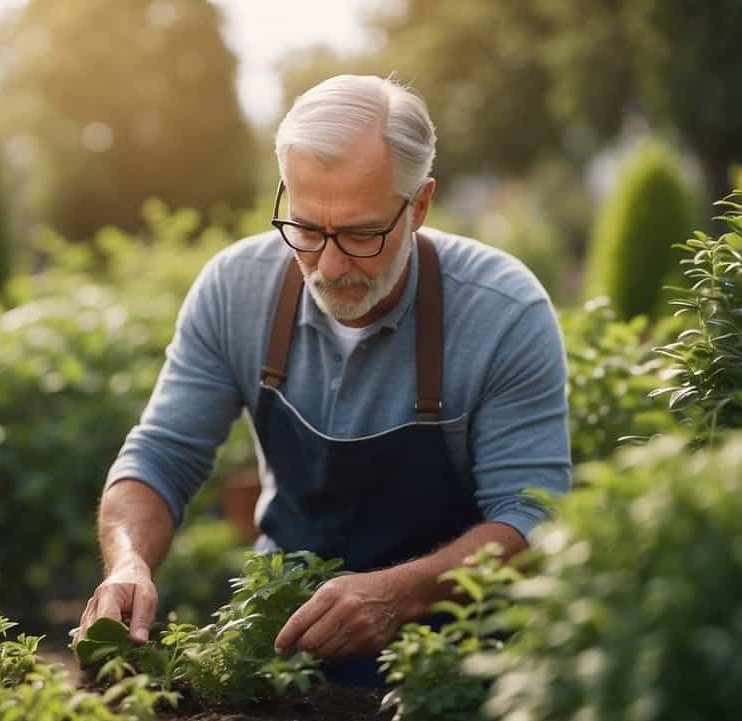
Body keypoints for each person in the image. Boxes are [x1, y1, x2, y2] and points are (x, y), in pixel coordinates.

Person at [75, 74, 571, 686]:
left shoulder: (501, 311)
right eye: (307, 229)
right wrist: (128, 564)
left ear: (419, 205)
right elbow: (160, 456)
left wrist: (399, 593)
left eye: (362, 234)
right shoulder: (236, 291)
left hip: (453, 672)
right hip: (283, 655)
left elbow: (532, 518)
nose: (330, 265)